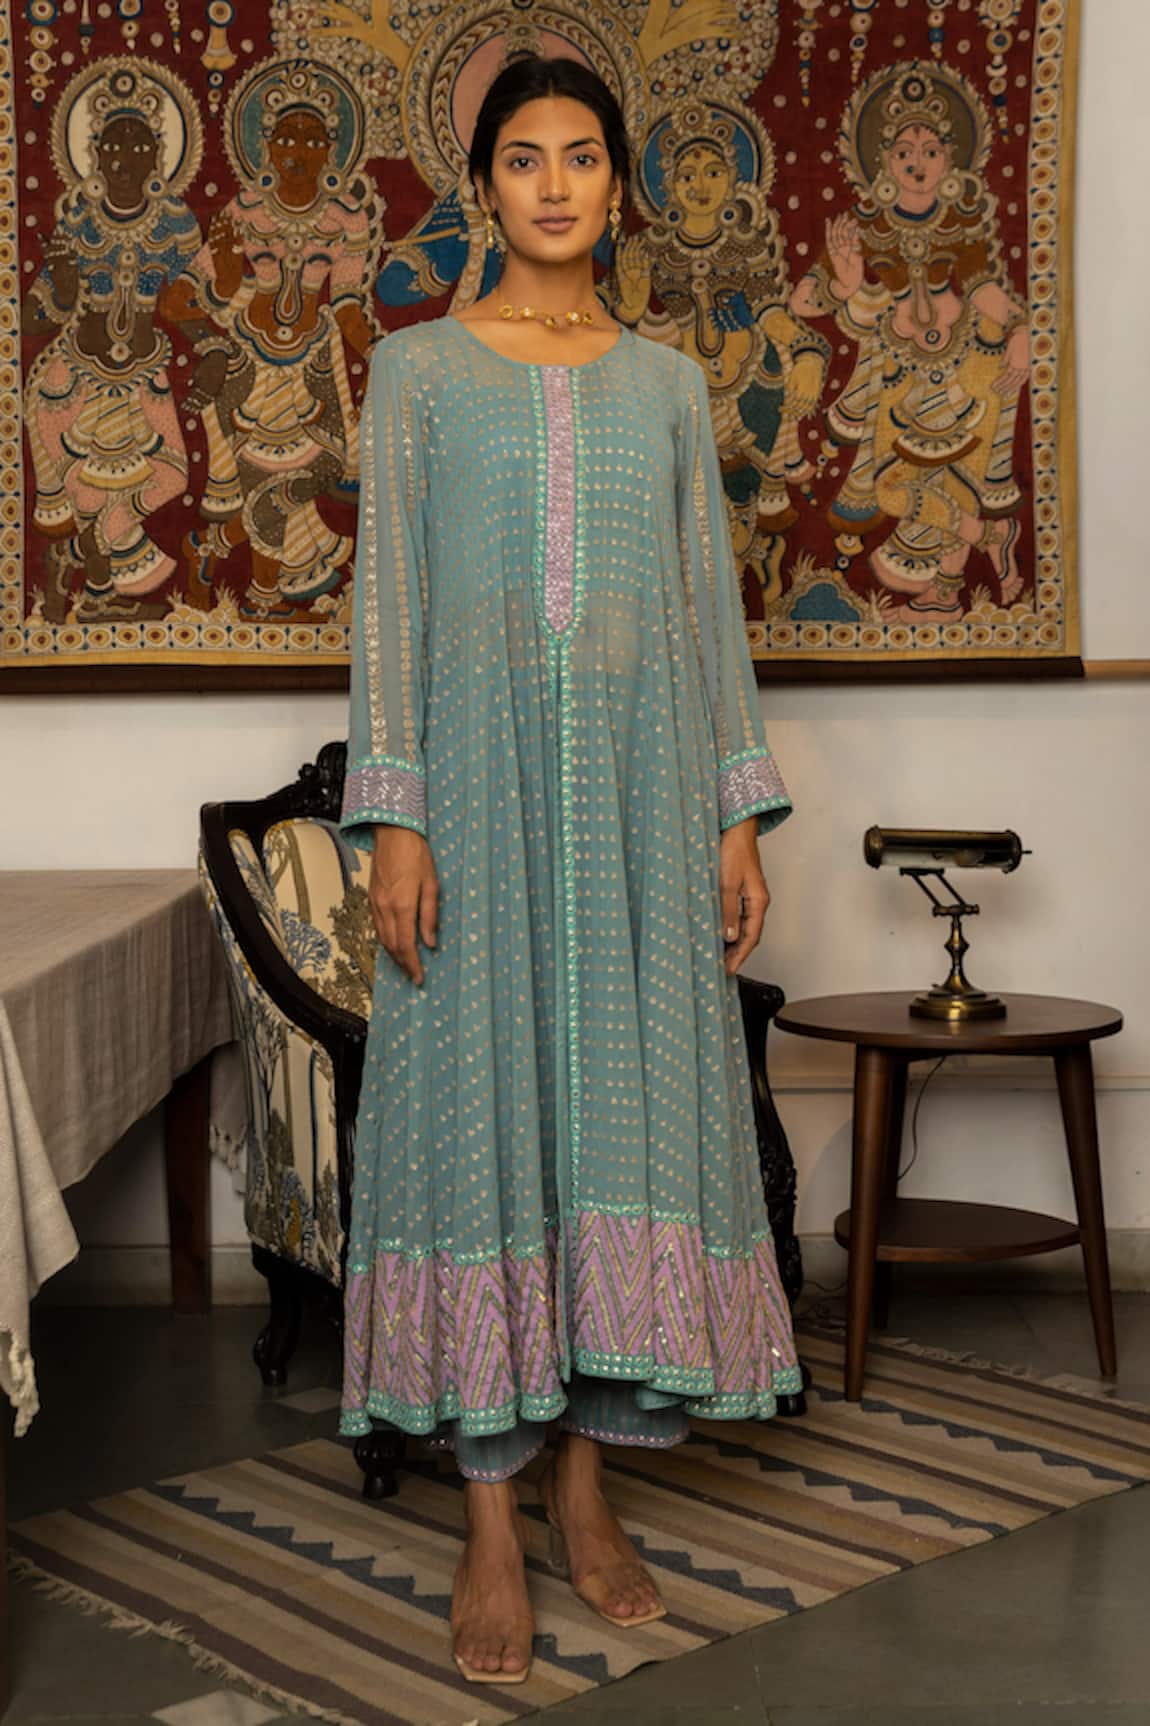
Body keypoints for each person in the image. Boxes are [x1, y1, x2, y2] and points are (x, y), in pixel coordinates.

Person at [339, 54, 800, 1687]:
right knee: (479, 1119)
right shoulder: (415, 373)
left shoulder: (666, 385)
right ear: (483, 187)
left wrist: (732, 812)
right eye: (523, 158)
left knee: (614, 1115)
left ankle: (585, 1484)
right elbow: (386, 606)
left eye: (581, 156)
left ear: (617, 186)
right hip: (467, 804)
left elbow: (705, 613)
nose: (552, 184)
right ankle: (486, 1517)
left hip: (636, 801)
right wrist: (397, 814)